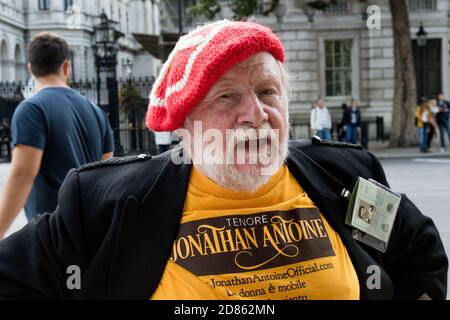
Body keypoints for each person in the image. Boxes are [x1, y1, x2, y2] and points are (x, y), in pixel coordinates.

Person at [0, 20, 447, 300]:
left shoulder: (345, 174)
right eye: (227, 96)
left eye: (267, 92)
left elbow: (418, 251)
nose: (255, 114)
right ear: (185, 125)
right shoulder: (103, 202)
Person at [0, 32, 114, 239]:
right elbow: (108, 175)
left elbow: (23, 174)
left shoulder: (31, 109)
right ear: (66, 67)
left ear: (30, 69)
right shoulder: (97, 112)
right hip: (92, 231)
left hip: (52, 235)